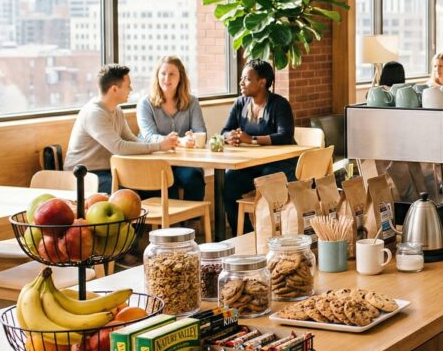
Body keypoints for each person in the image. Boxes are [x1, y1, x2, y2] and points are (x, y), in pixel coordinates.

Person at [66, 64, 178, 193]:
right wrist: (158, 146)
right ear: (114, 89)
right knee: (130, 193)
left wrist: (160, 147)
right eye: (128, 85)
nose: (131, 89)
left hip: (110, 171)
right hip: (84, 176)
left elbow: (131, 139)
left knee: (165, 184)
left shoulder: (117, 110)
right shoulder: (94, 113)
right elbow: (118, 147)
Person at [221, 59, 297, 233]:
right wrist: (230, 136)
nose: (241, 83)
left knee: (267, 175)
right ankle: (243, 233)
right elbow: (224, 130)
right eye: (241, 78)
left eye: (246, 79)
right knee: (229, 178)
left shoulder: (279, 104)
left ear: (262, 82)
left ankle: (274, 232)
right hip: (251, 165)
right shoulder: (240, 103)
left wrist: (252, 139)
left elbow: (285, 136)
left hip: (280, 165)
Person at [136, 56, 207, 201]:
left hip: (183, 162)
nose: (166, 78)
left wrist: (192, 139)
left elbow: (201, 132)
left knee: (194, 178)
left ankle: (193, 222)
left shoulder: (192, 102)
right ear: (157, 76)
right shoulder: (145, 104)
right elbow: (149, 137)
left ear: (180, 77)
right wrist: (179, 141)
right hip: (156, 162)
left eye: (172, 74)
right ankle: (175, 223)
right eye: (163, 73)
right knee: (169, 186)